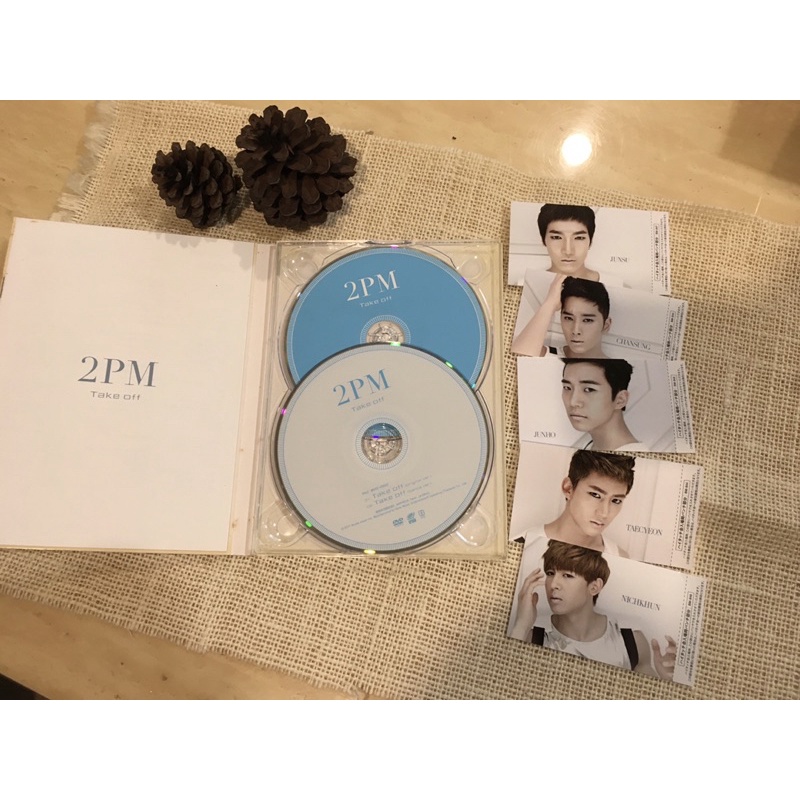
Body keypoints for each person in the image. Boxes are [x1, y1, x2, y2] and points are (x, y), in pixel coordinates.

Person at [509, 539, 677, 680]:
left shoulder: (632, 643)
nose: (553, 584)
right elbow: (505, 679)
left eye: (567, 575)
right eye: (550, 573)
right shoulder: (531, 637)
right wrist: (522, 625)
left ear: (594, 587)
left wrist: (665, 679)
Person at [515, 450, 634, 556]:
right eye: (595, 495)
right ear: (568, 488)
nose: (604, 513)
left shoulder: (620, 556)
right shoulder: (523, 545)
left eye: (616, 500)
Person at [512, 274, 611, 357]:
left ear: (605, 326)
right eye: (568, 318)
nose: (575, 331)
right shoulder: (547, 355)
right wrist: (550, 303)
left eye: (587, 320)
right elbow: (514, 362)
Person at [561, 358, 647, 452]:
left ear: (620, 400)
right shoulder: (585, 447)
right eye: (567, 387)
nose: (573, 402)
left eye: (589, 389)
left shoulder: (638, 457)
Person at [537, 204, 600, 281]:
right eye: (556, 237)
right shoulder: (527, 283)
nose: (568, 251)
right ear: (543, 240)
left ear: (590, 241)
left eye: (579, 238)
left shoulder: (612, 282)